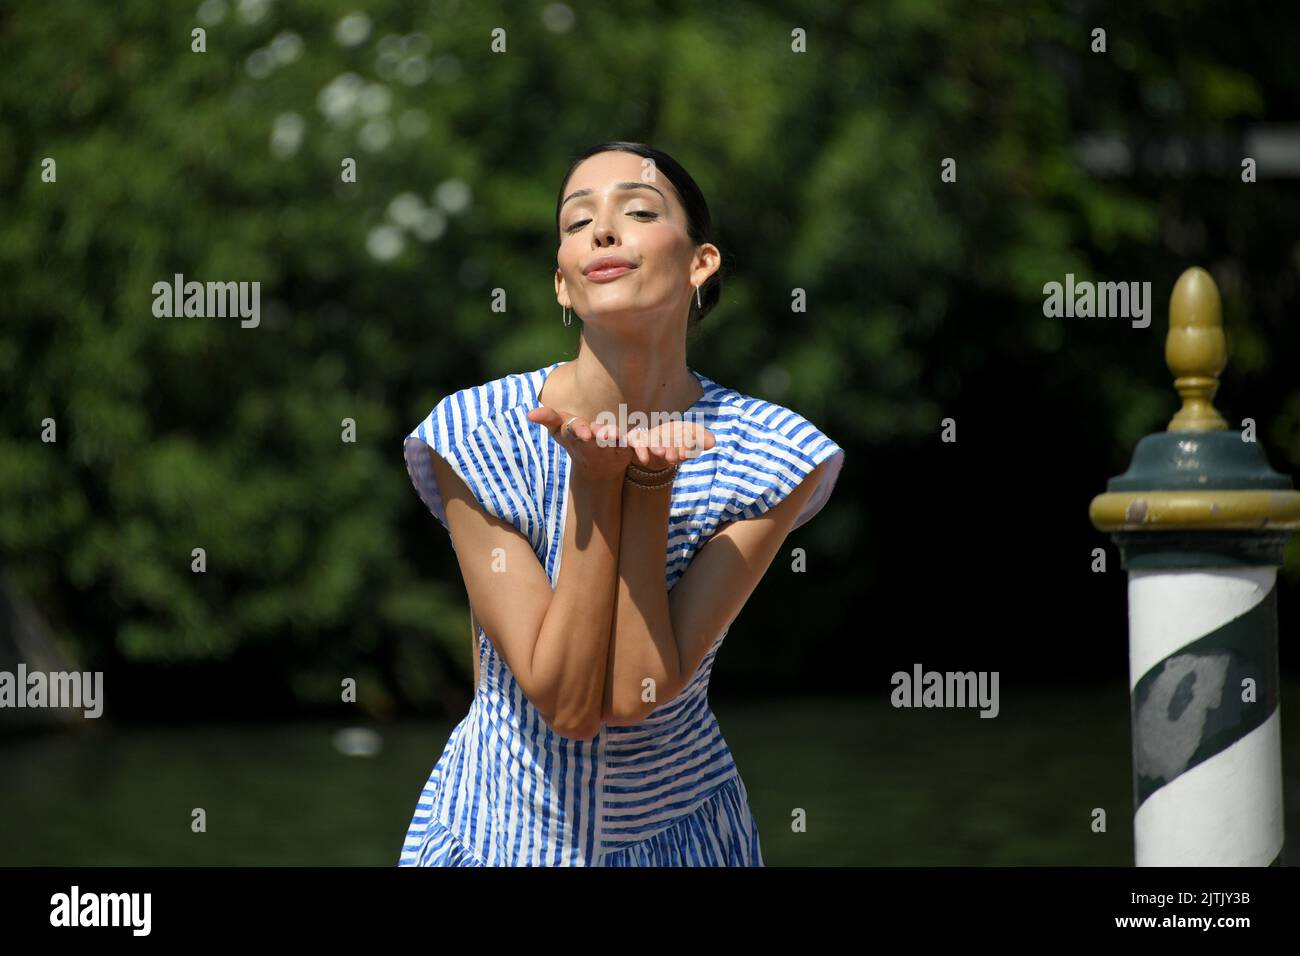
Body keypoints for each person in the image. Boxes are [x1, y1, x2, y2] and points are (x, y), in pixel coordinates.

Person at [398, 142, 844, 866]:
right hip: (490, 836)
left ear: (701, 263)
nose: (602, 232)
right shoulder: (475, 431)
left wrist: (646, 484)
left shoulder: (770, 453)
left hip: (684, 841)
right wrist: (595, 484)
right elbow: (567, 706)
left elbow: (638, 692)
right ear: (562, 286)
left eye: (638, 211)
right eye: (578, 224)